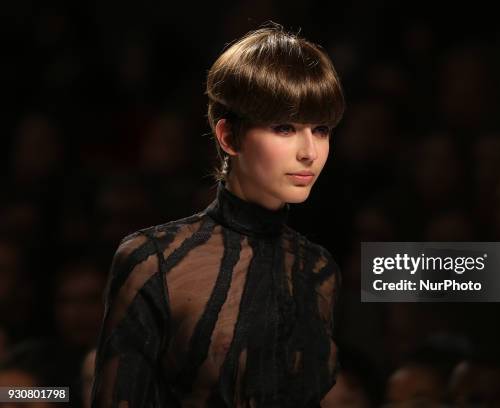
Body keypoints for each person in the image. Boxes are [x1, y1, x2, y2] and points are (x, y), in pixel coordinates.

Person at [91, 24, 345, 407]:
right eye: (284, 127)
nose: (309, 151)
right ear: (228, 137)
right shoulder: (154, 260)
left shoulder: (318, 270)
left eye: (321, 129)